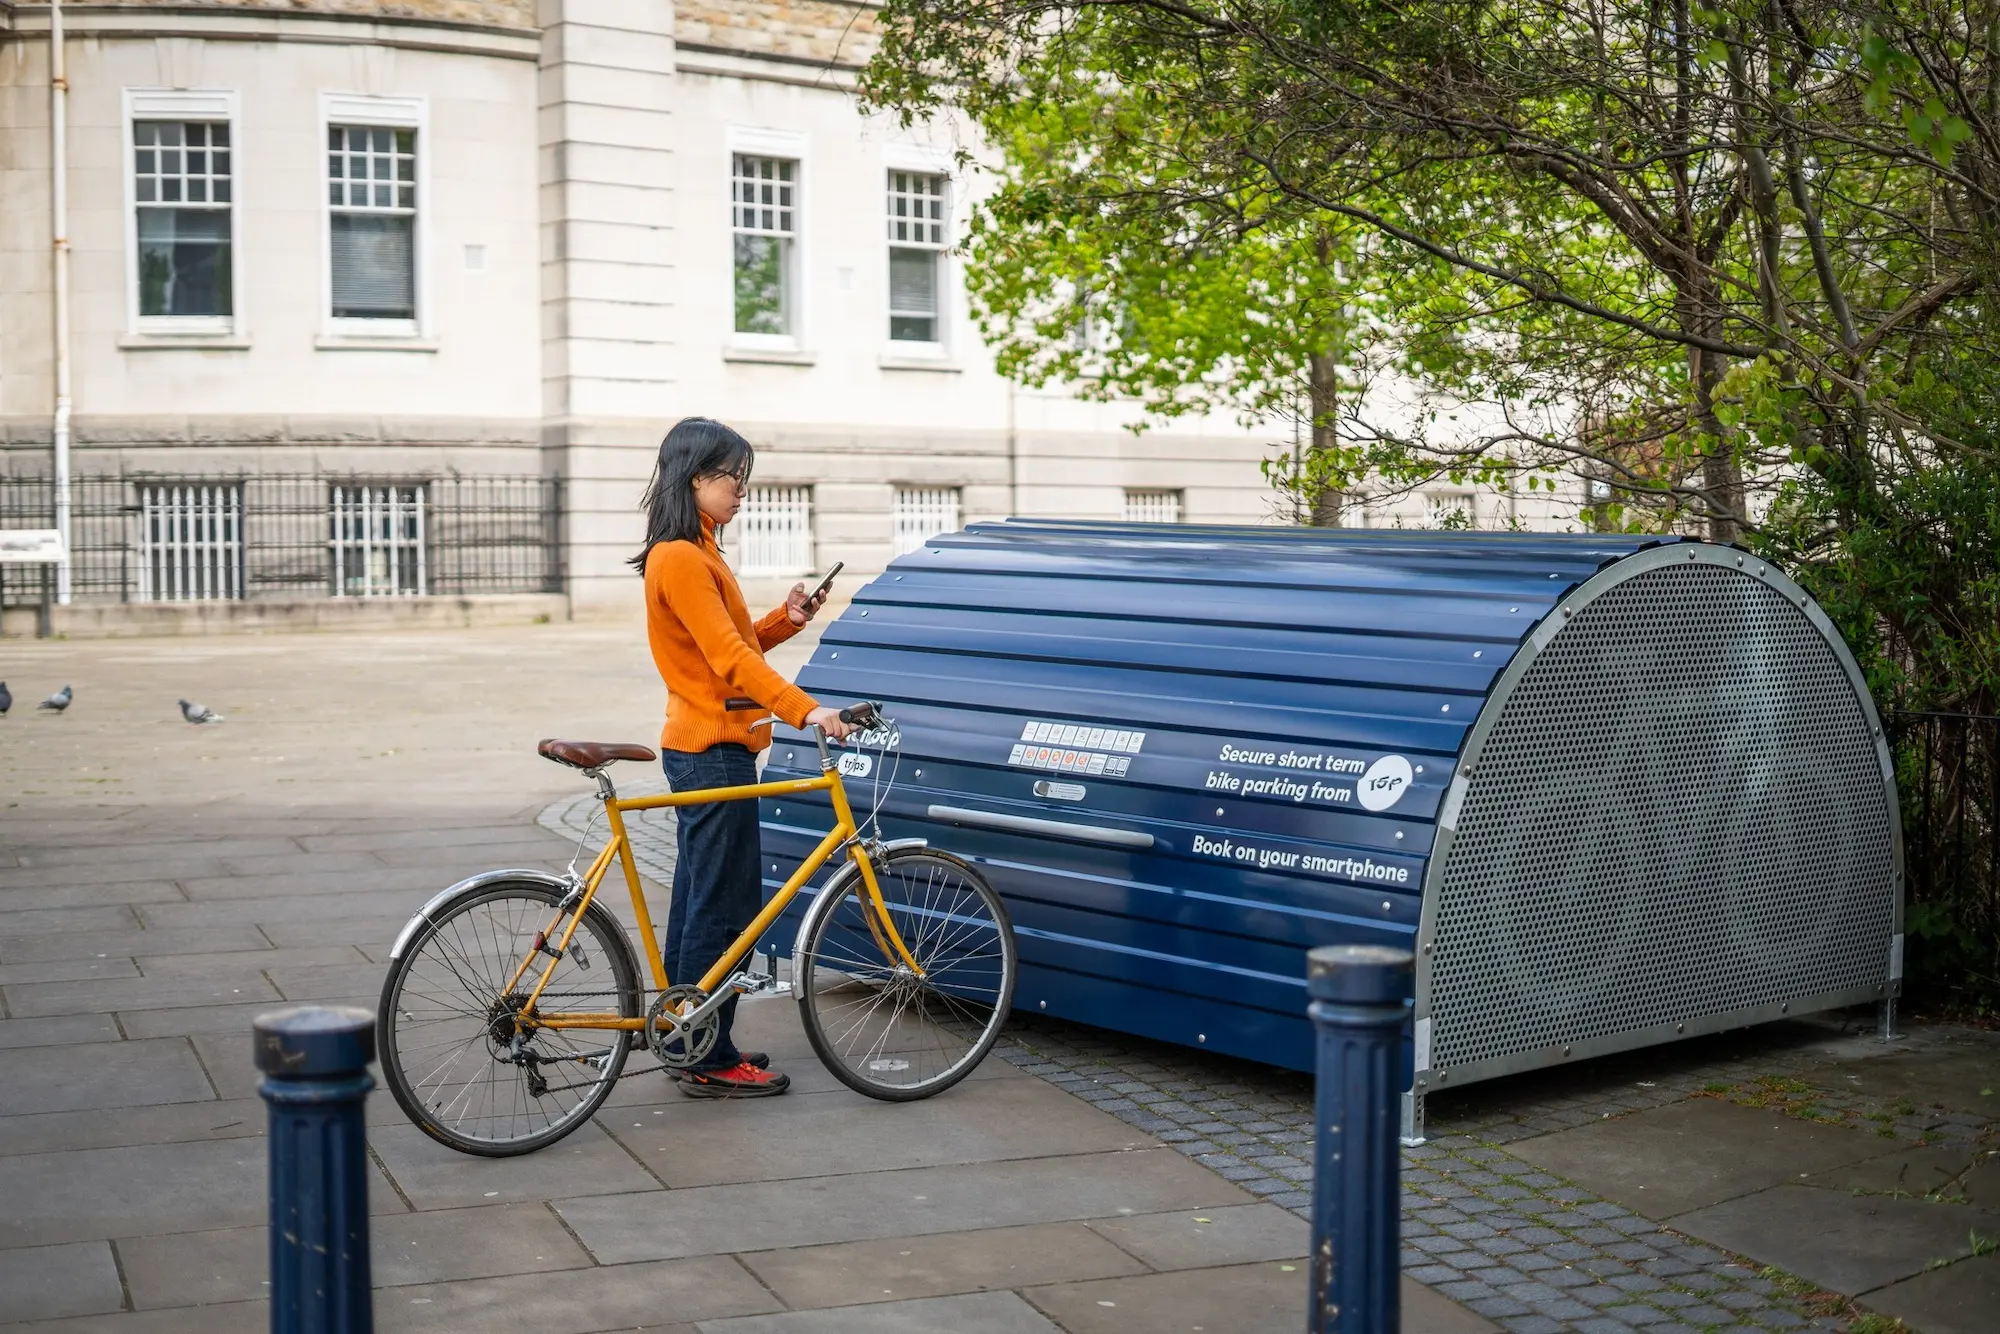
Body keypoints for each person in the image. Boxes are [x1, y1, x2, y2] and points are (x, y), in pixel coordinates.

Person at [630, 417, 857, 1097]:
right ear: (695, 476)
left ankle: (687, 1036)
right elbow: (728, 661)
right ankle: (707, 1054)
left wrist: (786, 619)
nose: (743, 491)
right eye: (733, 477)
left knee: (706, 904)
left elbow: (729, 644)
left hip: (713, 748)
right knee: (723, 911)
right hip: (712, 751)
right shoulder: (682, 556)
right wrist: (807, 710)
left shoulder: (695, 552)